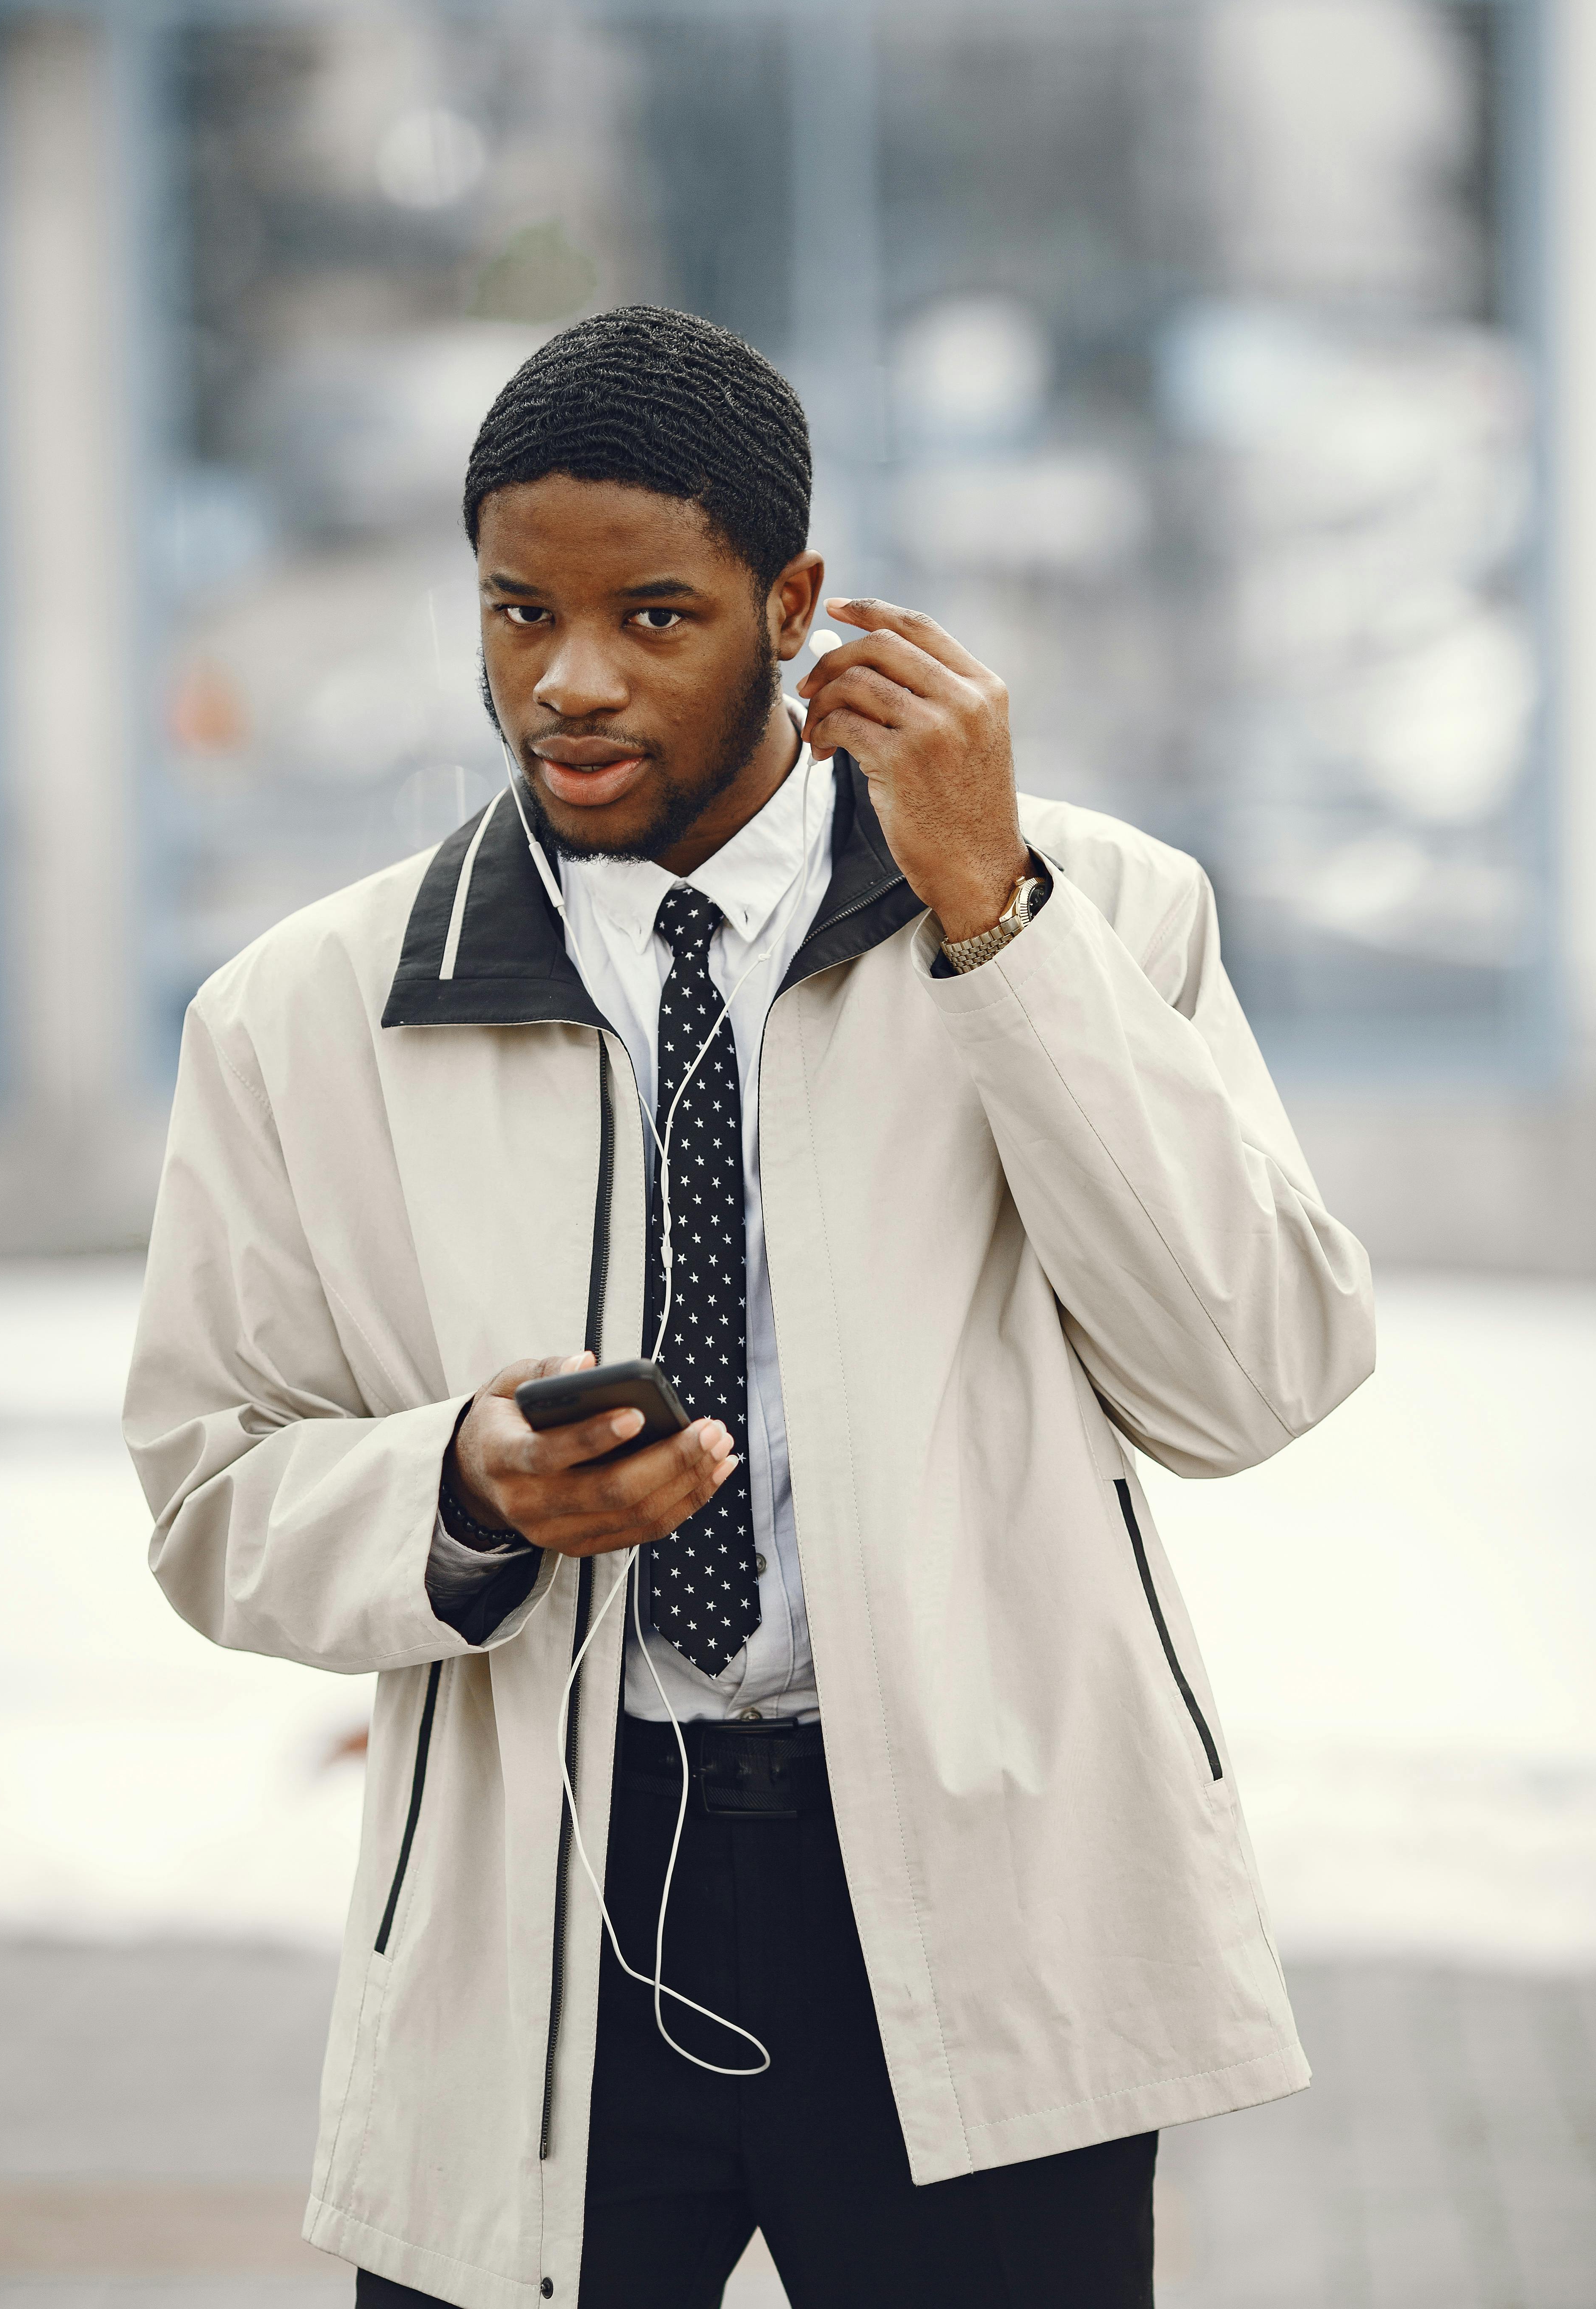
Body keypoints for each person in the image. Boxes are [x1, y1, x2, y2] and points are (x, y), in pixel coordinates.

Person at [126, 305, 1375, 2309]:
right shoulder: (303, 1016)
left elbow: (1253, 1377)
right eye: (519, 614)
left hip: (972, 1895)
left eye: (656, 615)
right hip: (541, 1907)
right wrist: (457, 1493)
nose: (572, 682)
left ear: (796, 602)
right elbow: (207, 1500)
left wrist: (998, 927)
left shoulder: (1099, 910)